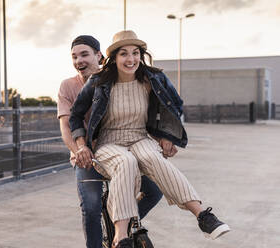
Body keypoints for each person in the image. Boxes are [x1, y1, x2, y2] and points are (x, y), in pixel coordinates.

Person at [69, 30, 230, 248]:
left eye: (135, 53)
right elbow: (76, 115)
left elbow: (175, 104)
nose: (131, 59)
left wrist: (166, 136)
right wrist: (80, 145)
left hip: (139, 137)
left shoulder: (152, 78)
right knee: (125, 162)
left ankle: (203, 216)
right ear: (114, 58)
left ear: (141, 55)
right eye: (124, 54)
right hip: (109, 142)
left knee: (154, 159)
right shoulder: (99, 82)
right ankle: (120, 236)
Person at [57, 35, 166, 248]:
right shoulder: (68, 86)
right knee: (90, 207)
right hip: (87, 158)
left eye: (84, 54)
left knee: (155, 191)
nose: (79, 60)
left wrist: (162, 139)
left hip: (119, 150)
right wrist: (80, 150)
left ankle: (124, 224)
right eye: (74, 56)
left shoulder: (120, 79)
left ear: (99, 56)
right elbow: (66, 126)